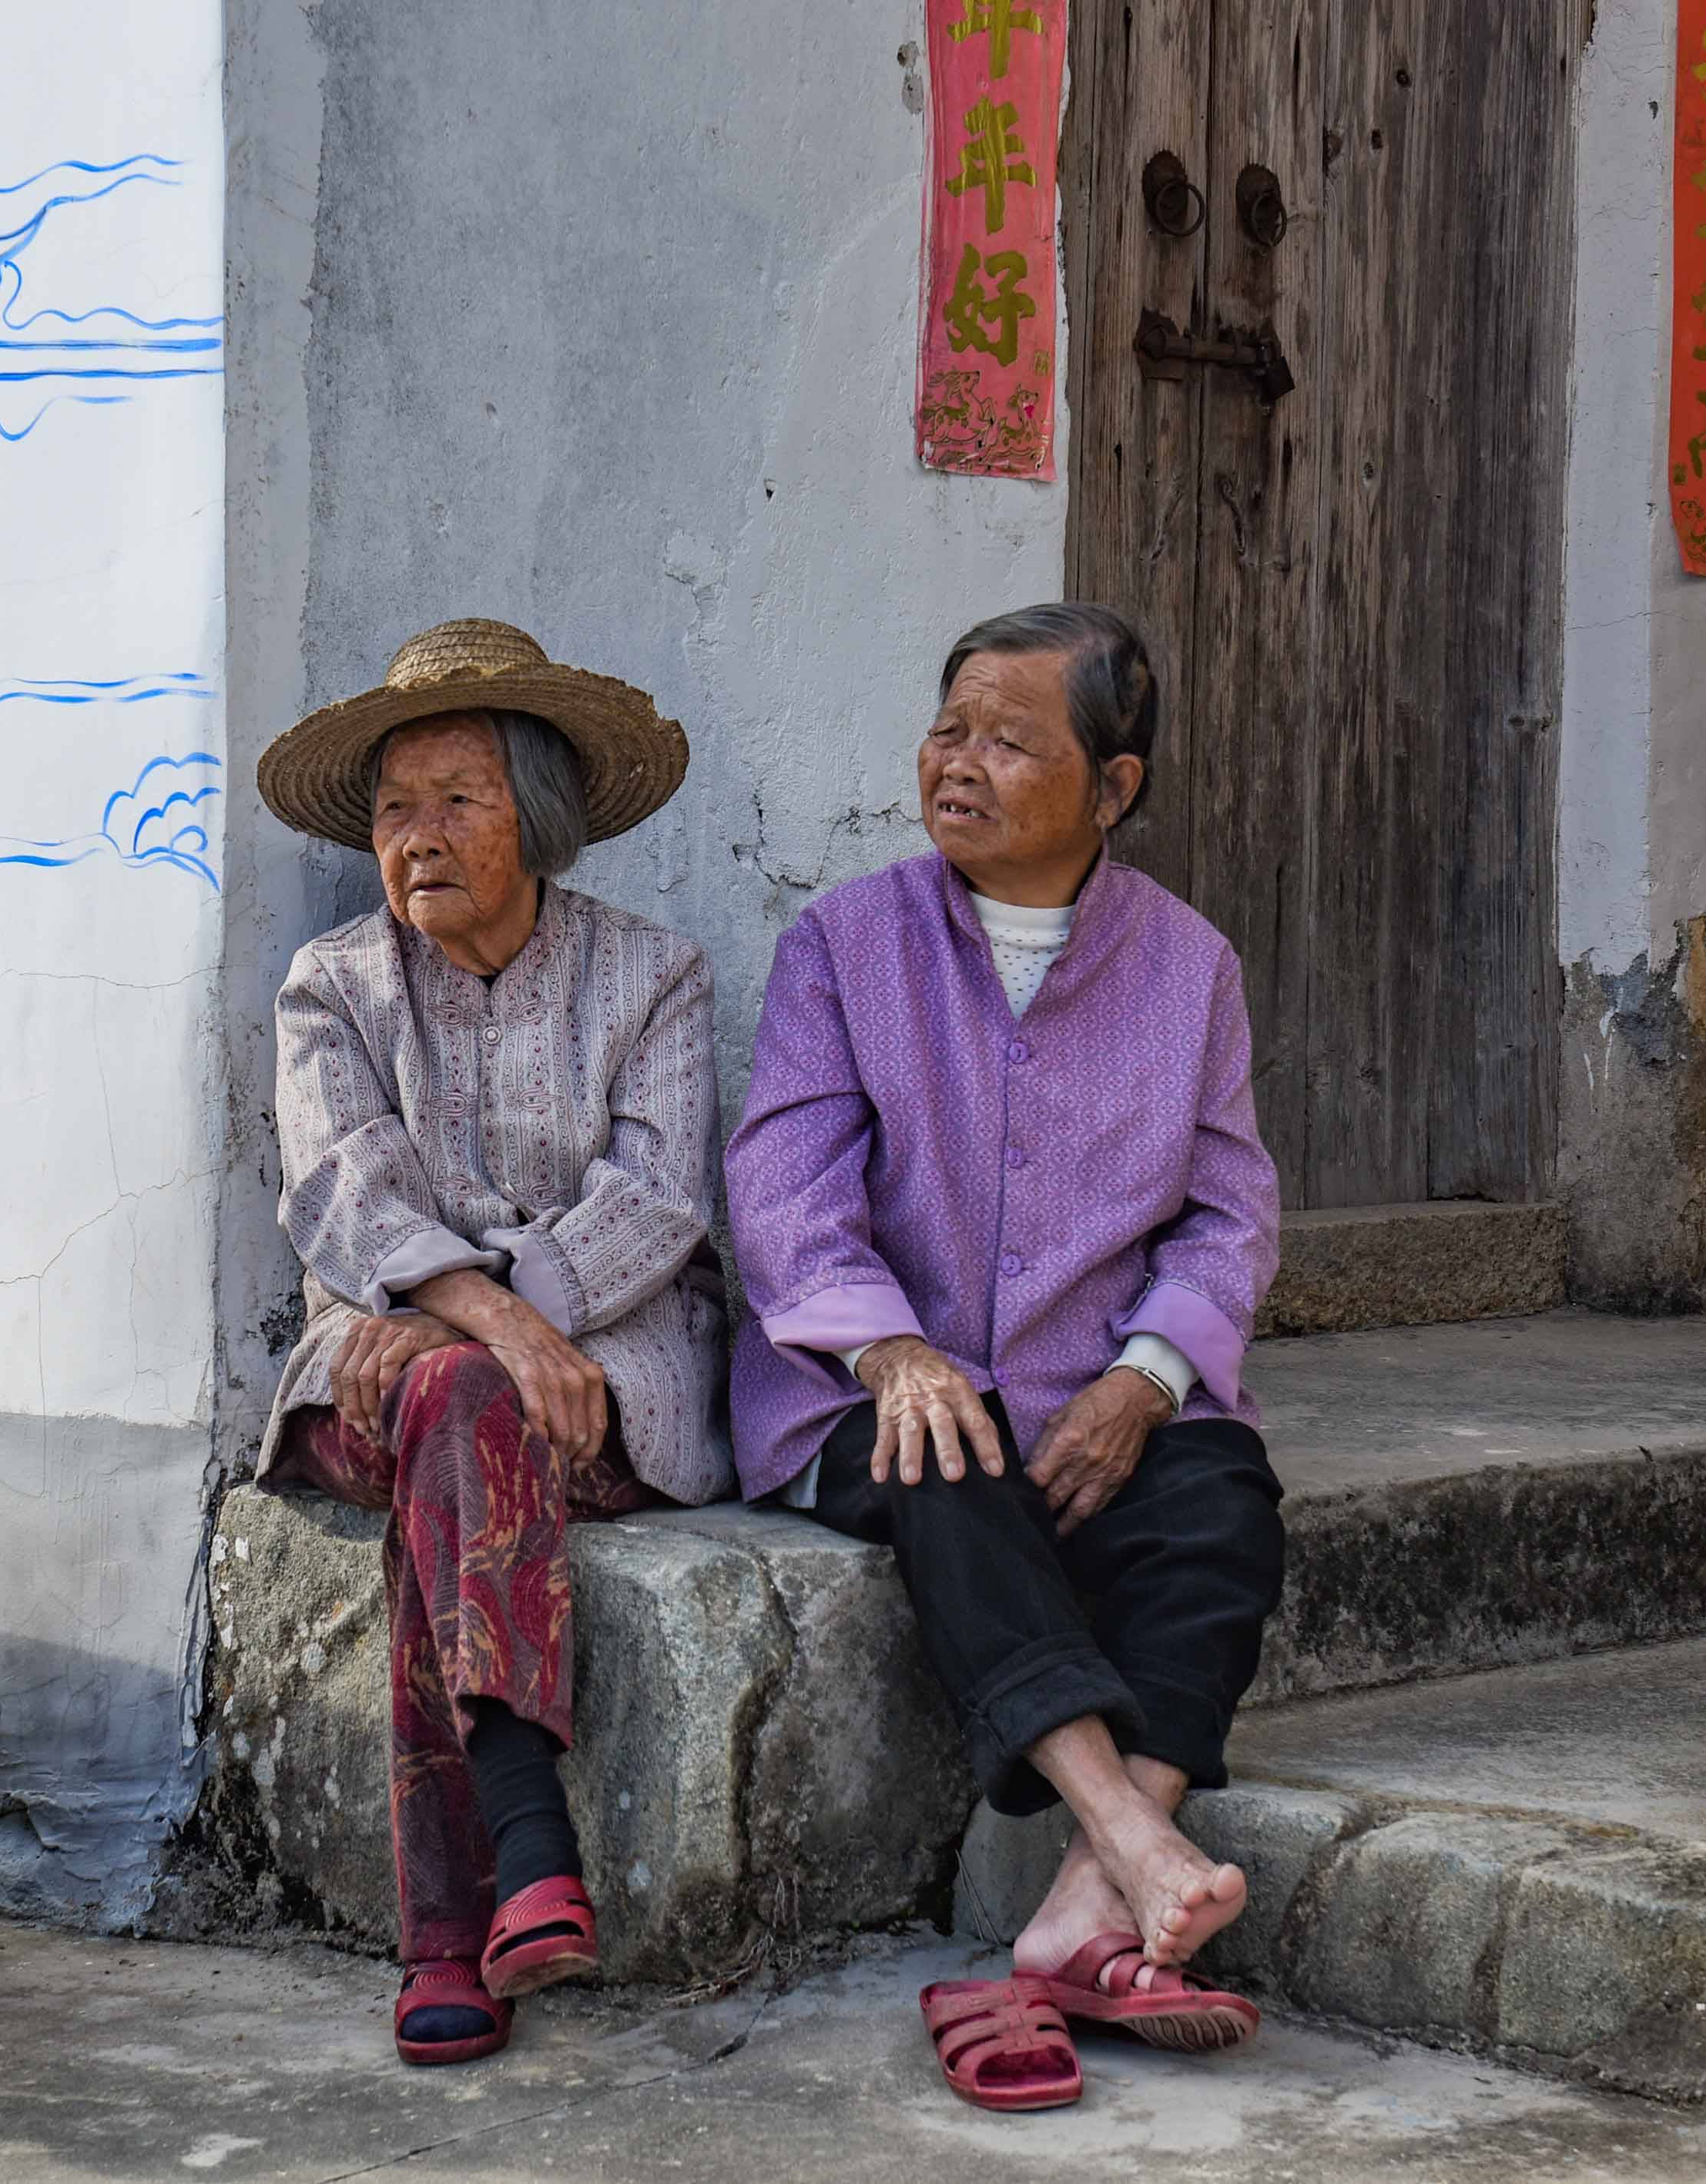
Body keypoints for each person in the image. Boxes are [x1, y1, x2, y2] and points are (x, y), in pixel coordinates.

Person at [726, 603, 1284, 2114]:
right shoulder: (844, 942)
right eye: (946, 726)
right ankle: (1132, 1840)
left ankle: (1068, 1921)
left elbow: (1227, 1216)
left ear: (1109, 786)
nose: (955, 764)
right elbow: (785, 1190)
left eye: (1006, 739)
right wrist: (891, 1346)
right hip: (861, 1383)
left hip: (1087, 1383)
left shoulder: (1189, 969)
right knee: (944, 1443)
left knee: (1219, 1493)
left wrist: (1143, 1378)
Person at [252, 618, 727, 2067]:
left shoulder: (653, 977)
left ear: (544, 815)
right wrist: (489, 1317)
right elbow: (341, 1187)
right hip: (390, 1367)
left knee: (452, 1436)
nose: (419, 835)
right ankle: (529, 1852)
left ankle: (452, 1937)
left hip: (604, 1386)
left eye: (460, 797)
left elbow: (658, 1200)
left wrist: (481, 1316)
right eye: (396, 808)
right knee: (462, 1396)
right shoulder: (332, 982)